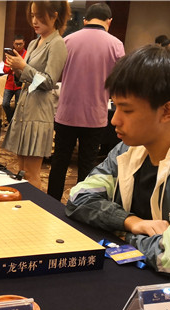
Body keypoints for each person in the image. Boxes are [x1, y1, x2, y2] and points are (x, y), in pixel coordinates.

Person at [66, 45, 170, 305]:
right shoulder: (130, 149)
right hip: (138, 283)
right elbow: (79, 198)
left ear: (167, 111)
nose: (115, 120)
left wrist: (120, 237)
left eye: (127, 110)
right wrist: (131, 221)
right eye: (115, 106)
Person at [47, 2, 124, 200]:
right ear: (109, 21)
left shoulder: (67, 40)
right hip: (95, 116)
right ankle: (81, 206)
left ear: (85, 20)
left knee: (59, 163)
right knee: (87, 167)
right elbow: (120, 81)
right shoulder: (116, 44)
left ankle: (51, 205)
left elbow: (56, 74)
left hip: (66, 114)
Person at [2, 1, 70, 189]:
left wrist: (24, 67)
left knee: (31, 174)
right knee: (21, 171)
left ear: (54, 16)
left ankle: (33, 206)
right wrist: (17, 68)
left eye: (39, 16)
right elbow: (26, 78)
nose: (34, 21)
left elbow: (49, 81)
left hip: (38, 113)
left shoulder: (57, 44)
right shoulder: (33, 43)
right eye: (32, 15)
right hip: (24, 110)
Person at [2, 34, 27, 124]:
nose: (18, 46)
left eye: (20, 44)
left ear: (24, 43)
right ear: (13, 43)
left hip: (20, 85)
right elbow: (5, 70)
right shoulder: (10, 54)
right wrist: (14, 67)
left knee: (18, 106)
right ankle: (10, 121)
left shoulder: (26, 54)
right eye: (16, 44)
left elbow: (26, 69)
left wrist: (15, 66)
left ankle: (15, 124)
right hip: (9, 84)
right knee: (5, 104)